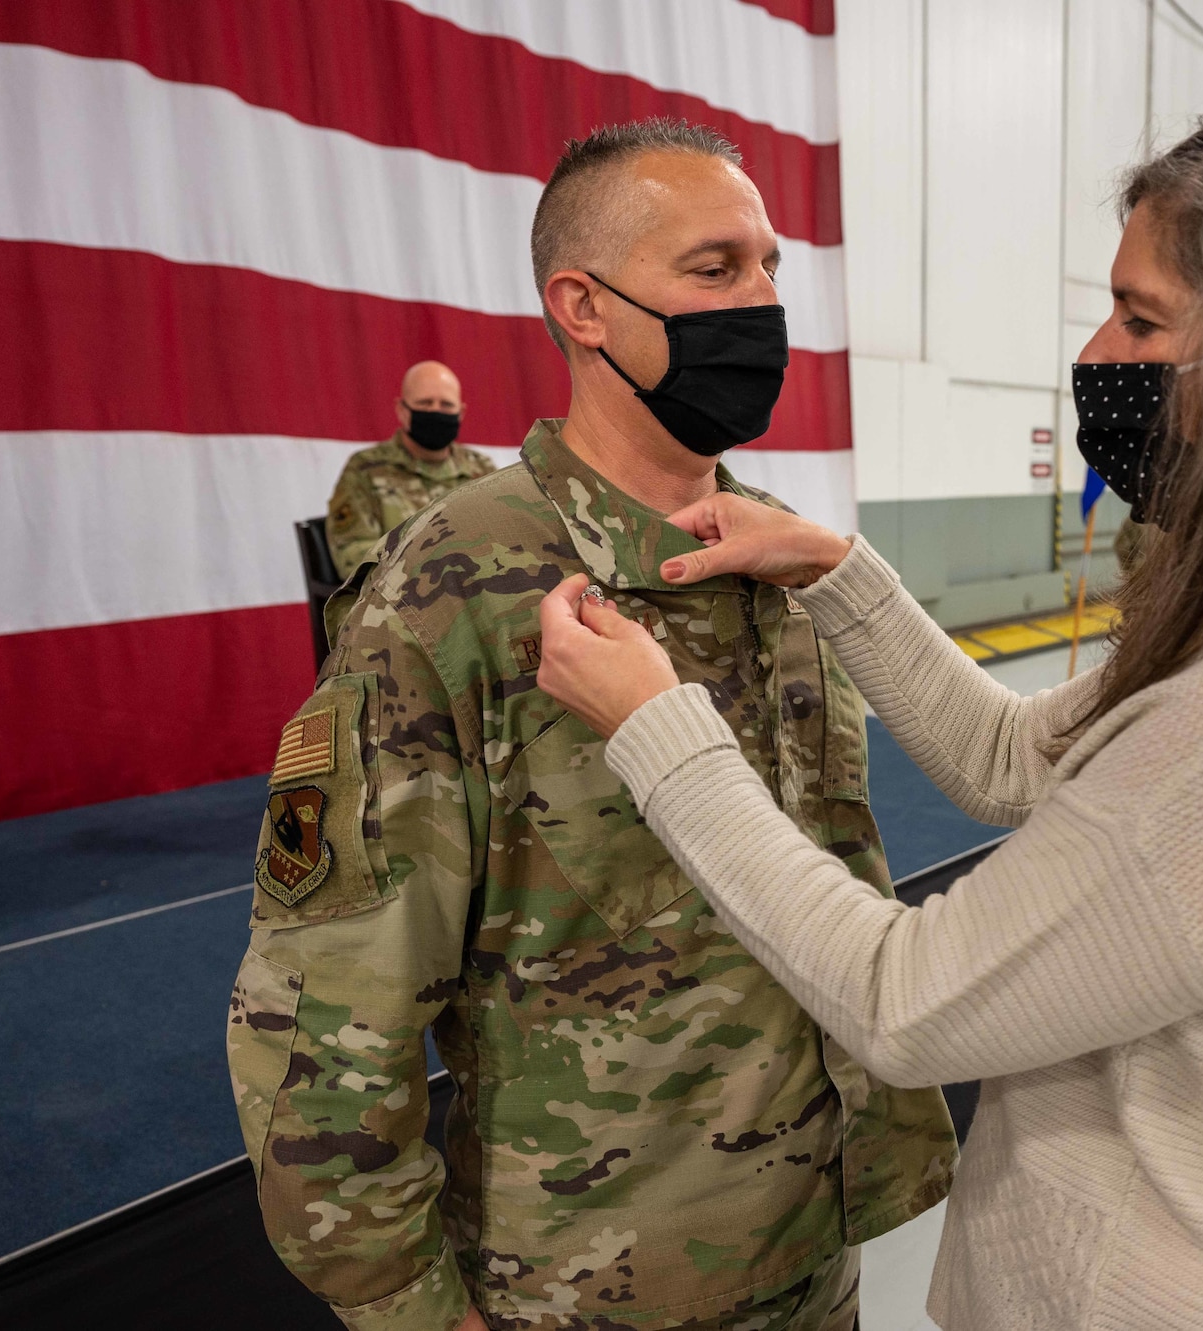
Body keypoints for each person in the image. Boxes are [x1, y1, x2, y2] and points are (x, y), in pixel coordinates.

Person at [533, 86, 1203, 1330]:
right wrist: (839, 572)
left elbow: (903, 996)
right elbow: (1006, 755)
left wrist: (663, 734)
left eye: (1141, 320)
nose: (1096, 357)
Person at [227, 119, 954, 1331]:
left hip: (814, 1239)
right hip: (591, 1279)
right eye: (714, 270)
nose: (762, 303)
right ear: (585, 307)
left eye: (771, 267)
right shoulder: (453, 587)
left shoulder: (779, 550)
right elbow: (322, 1005)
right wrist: (410, 1303)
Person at [325, 360, 496, 579]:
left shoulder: (481, 468)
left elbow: (499, 538)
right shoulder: (365, 470)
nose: (435, 411)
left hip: (474, 591)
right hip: (401, 599)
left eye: (446, 405)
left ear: (460, 413)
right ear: (402, 410)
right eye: (425, 403)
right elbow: (353, 555)